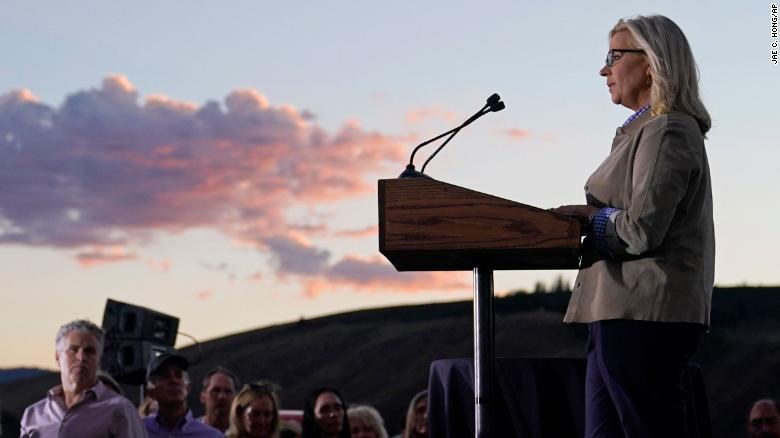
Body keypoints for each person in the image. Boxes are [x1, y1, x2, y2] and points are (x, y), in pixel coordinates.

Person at [551, 14, 714, 438]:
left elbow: (642, 229)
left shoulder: (668, 129)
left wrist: (589, 217)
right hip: (618, 311)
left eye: (613, 56)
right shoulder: (639, 131)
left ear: (650, 62)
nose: (603, 70)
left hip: (645, 315)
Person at [19, 319, 147, 437]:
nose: (81, 357)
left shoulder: (120, 409)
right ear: (57, 357)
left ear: (99, 360)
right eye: (73, 350)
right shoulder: (33, 414)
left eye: (89, 351)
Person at [143, 352, 223, 437]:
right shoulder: (139, 430)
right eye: (164, 376)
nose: (174, 380)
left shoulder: (211, 435)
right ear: (151, 392)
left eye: (179, 375)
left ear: (188, 387)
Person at [199, 365, 240, 433]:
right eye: (215, 391)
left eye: (228, 391)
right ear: (203, 397)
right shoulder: (188, 432)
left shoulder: (246, 433)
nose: (222, 397)